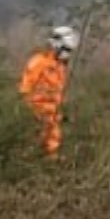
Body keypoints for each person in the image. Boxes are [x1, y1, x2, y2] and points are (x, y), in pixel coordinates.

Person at [20, 26, 77, 159]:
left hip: (51, 114)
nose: (68, 54)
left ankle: (52, 160)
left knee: (52, 142)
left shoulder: (60, 67)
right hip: (36, 112)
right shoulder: (39, 62)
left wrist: (62, 115)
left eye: (70, 50)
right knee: (32, 145)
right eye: (66, 50)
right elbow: (25, 89)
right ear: (56, 45)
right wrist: (31, 111)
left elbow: (57, 95)